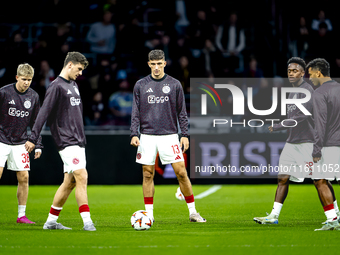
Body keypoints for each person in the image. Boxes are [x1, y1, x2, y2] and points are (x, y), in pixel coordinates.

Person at [130, 49, 206, 222]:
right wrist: (134, 133)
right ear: (149, 64)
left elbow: (182, 113)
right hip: (147, 136)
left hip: (170, 135)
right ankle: (149, 215)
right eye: (153, 64)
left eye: (159, 64)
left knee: (181, 172)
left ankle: (193, 212)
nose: (156, 67)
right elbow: (135, 112)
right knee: (147, 174)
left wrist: (184, 134)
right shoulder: (141, 85)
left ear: (165, 63)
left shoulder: (174, 84)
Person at [25, 52, 96, 231]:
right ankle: (87, 222)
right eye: (79, 69)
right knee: (82, 175)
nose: (80, 73)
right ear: (70, 64)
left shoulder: (73, 85)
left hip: (78, 140)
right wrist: (34, 138)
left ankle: (50, 222)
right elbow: (43, 113)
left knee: (70, 182)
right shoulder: (56, 86)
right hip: (66, 140)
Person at [253, 57, 316, 224]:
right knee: (282, 177)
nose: (291, 73)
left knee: (320, 180)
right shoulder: (293, 90)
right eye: (289, 71)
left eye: (295, 70)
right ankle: (273, 216)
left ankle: (335, 214)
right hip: (293, 141)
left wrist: (278, 126)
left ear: (303, 73)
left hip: (308, 141)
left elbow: (301, 117)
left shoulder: (307, 90)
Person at [0, 63, 42, 224]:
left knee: (24, 177)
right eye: (24, 79)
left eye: (29, 80)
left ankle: (21, 215)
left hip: (20, 142)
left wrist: (37, 143)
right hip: (1, 139)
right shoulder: (4, 92)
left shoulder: (34, 96)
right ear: (17, 77)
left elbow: (36, 123)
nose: (27, 83)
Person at [307, 58, 340, 231]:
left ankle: (332, 219)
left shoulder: (320, 93)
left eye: (311, 74)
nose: (310, 78)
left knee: (319, 180)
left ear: (318, 72)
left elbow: (320, 123)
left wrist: (316, 149)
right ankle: (336, 215)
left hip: (330, 144)